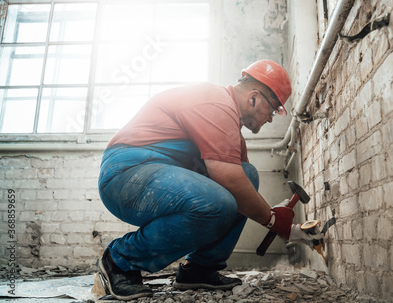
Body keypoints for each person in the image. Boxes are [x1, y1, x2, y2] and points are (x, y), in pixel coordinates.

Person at [97, 59, 321, 301]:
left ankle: (200, 269)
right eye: (274, 109)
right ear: (254, 97)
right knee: (219, 200)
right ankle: (119, 261)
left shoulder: (229, 127)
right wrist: (272, 219)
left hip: (158, 175)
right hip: (126, 173)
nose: (270, 119)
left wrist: (289, 228)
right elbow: (230, 181)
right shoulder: (216, 102)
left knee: (247, 174)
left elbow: (241, 184)